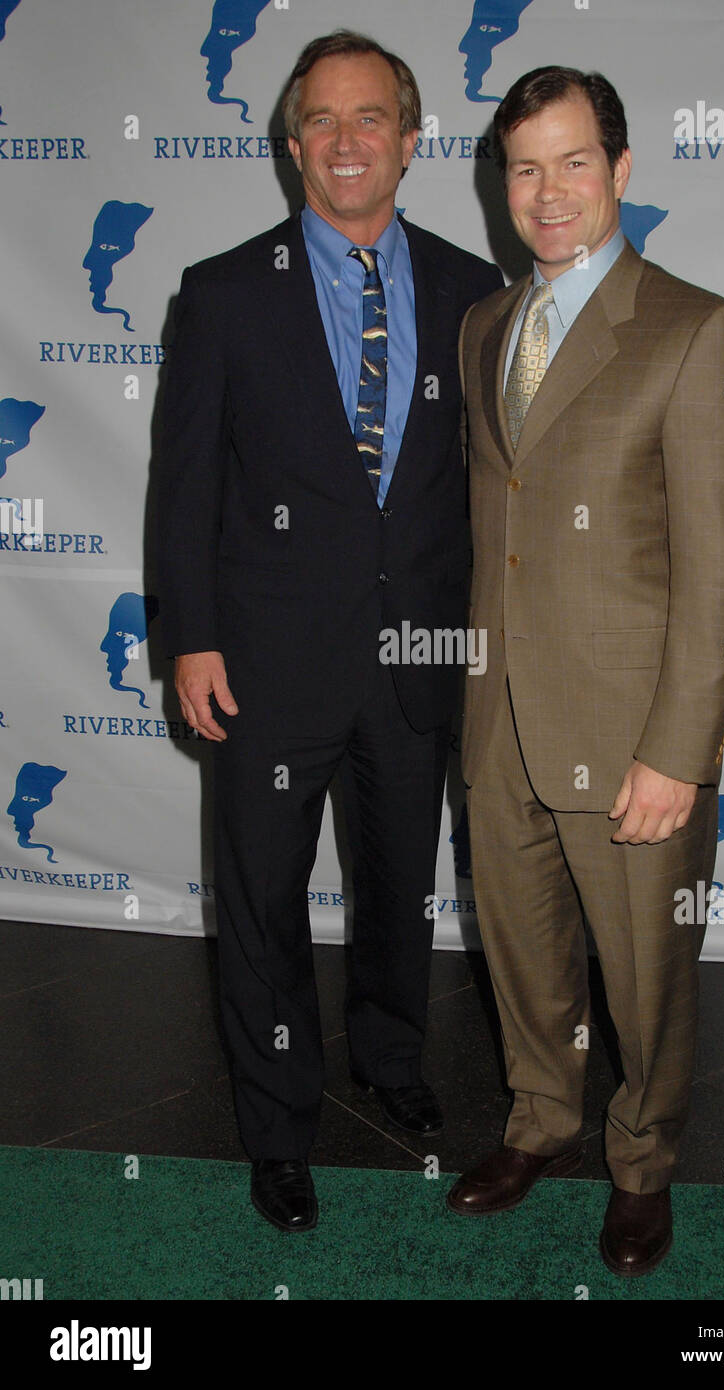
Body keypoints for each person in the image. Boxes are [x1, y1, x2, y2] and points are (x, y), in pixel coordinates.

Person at [157, 29, 502, 1234]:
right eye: (321, 120)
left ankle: (393, 1063)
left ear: (411, 142)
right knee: (260, 904)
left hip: (419, 657)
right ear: (291, 142)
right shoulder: (220, 291)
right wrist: (189, 636)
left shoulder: (473, 291)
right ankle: (275, 1121)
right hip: (263, 659)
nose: (345, 140)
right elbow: (184, 484)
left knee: (400, 885)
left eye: (369, 119)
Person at [446, 66, 724, 1277]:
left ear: (620, 171)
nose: (547, 191)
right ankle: (538, 1119)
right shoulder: (486, 326)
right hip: (496, 724)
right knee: (522, 958)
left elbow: (723, 565)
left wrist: (678, 751)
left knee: (642, 980)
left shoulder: (695, 330)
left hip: (632, 731)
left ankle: (641, 1161)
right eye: (523, 166)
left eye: (572, 160)